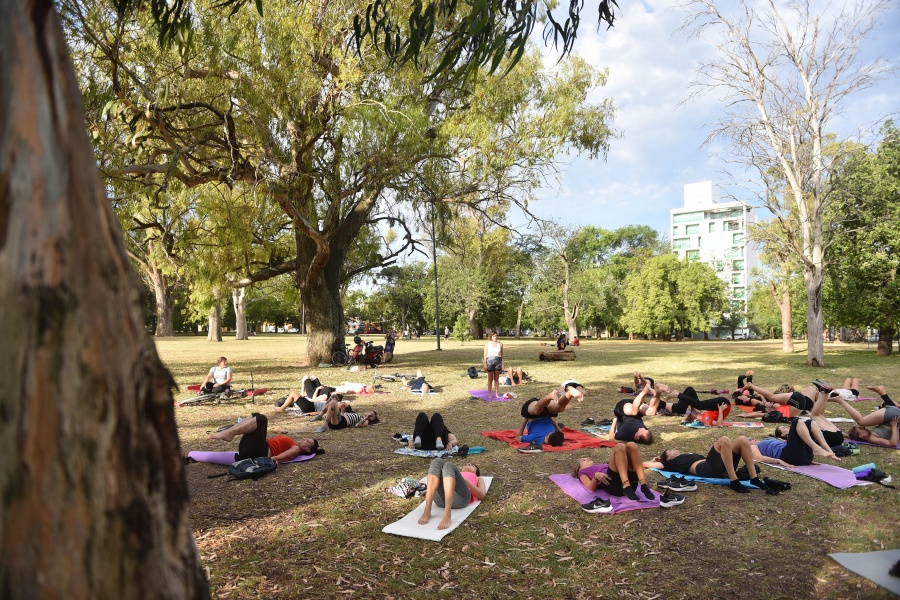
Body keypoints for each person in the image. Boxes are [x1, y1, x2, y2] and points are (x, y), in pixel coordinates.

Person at [643, 436, 770, 494]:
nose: (674, 449)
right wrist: (655, 461)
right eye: (670, 451)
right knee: (724, 440)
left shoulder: (687, 455)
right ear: (668, 458)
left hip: (720, 467)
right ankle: (734, 481)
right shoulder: (671, 463)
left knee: (742, 439)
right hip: (706, 469)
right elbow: (644, 464)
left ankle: (754, 479)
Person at [572, 443, 658, 509]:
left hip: (631, 485)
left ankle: (643, 484)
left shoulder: (600, 466)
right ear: (580, 468)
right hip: (614, 485)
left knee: (632, 445)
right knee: (619, 446)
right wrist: (595, 476)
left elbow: (636, 464)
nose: (587, 458)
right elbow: (591, 488)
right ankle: (626, 484)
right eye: (584, 460)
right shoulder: (582, 472)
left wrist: (651, 462)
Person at [208, 413, 321, 462]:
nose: (304, 439)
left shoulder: (296, 448)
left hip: (259, 453)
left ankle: (229, 433)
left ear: (307, 449)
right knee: (256, 415)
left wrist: (271, 460)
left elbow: (281, 457)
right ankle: (230, 431)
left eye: (307, 441)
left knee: (262, 419)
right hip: (253, 450)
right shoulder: (293, 444)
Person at [418, 458, 487, 530]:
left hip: (461, 499)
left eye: (473, 465)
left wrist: (467, 482)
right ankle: (427, 510)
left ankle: (447, 515)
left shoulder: (478, 478)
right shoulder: (453, 472)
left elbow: (482, 495)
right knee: (437, 461)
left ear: (476, 472)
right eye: (467, 464)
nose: (469, 464)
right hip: (440, 500)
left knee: (449, 465)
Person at [829, 384, 900, 447]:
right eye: (861, 429)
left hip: (893, 415)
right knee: (861, 421)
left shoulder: (872, 434)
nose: (864, 427)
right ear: (861, 435)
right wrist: (894, 426)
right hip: (894, 416)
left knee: (862, 422)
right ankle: (841, 400)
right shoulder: (872, 438)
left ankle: (881, 392)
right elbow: (893, 443)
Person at [751, 417, 840, 466]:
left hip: (803, 456)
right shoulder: (753, 446)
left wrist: (809, 461)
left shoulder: (771, 440)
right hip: (788, 456)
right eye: (749, 440)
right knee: (796, 421)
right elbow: (759, 458)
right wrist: (779, 461)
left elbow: (796, 446)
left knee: (810, 422)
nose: (752, 439)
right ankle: (816, 448)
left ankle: (828, 450)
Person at [740, 382, 816, 416]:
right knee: (812, 389)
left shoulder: (776, 409)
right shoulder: (775, 410)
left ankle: (751, 386)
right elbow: (760, 414)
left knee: (772, 397)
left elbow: (759, 413)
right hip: (799, 403)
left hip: (798, 403)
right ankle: (823, 394)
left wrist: (748, 415)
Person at [664, 386, 731, 425]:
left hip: (722, 404)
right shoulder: (705, 419)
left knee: (699, 405)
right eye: (692, 414)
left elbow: (718, 423)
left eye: (692, 413)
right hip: (724, 405)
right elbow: (719, 423)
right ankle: (681, 393)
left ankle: (678, 394)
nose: (693, 413)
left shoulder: (704, 417)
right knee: (699, 405)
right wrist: (720, 411)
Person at [483, 331, 504, 399]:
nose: (495, 337)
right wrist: (485, 364)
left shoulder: (500, 344)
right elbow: (485, 355)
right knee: (490, 379)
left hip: (498, 362)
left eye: (496, 336)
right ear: (491, 337)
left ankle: (496, 394)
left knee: (496, 379)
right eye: (494, 336)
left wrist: (503, 364)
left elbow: (502, 355)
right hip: (490, 362)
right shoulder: (487, 344)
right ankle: (489, 394)